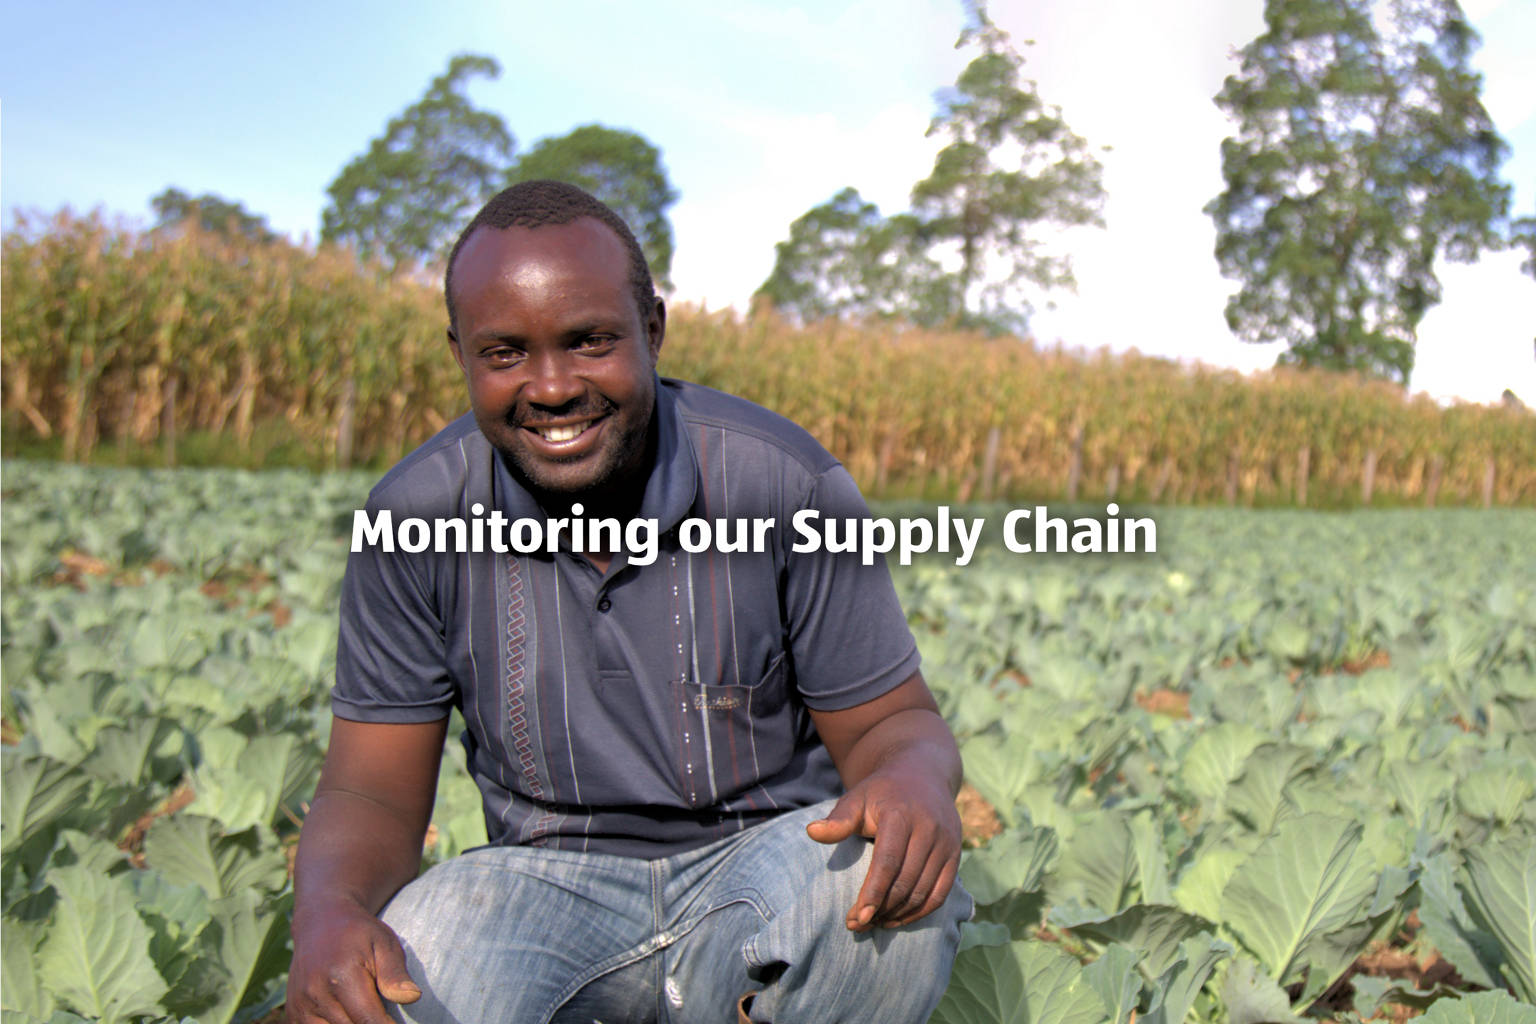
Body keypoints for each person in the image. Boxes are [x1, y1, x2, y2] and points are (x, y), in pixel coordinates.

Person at [285, 180, 971, 1024]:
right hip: (541, 889)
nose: (552, 387)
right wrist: (326, 912)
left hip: (763, 868)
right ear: (459, 353)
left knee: (883, 894)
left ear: (652, 329)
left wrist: (910, 777)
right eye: (504, 354)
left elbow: (889, 724)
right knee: (405, 968)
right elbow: (370, 793)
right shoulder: (413, 519)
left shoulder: (784, 484)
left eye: (589, 341)